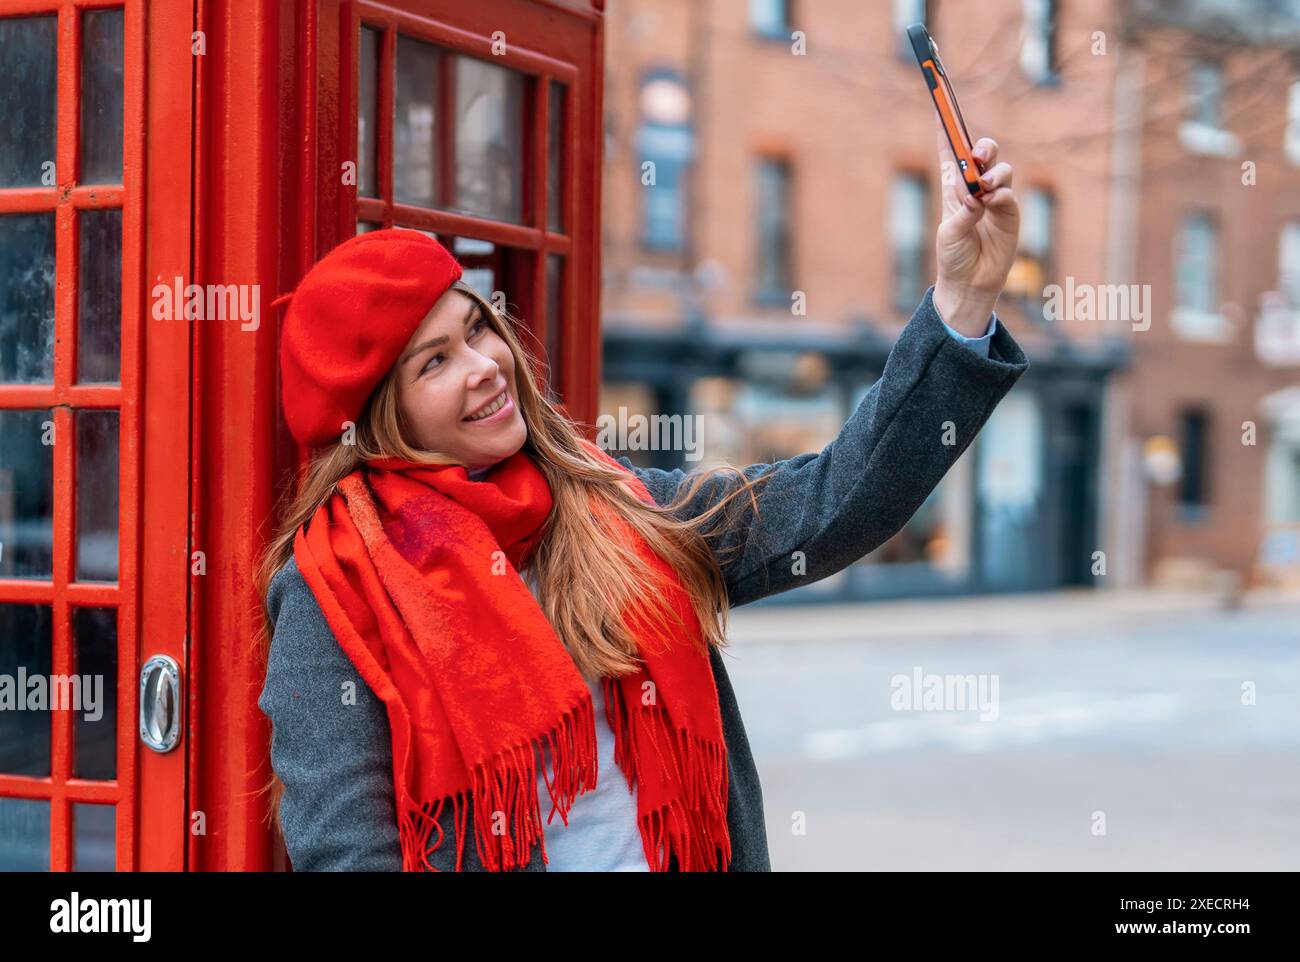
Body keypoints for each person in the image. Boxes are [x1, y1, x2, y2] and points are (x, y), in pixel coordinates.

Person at [254, 130, 1029, 872]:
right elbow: (347, 850)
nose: (485, 365)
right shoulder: (336, 592)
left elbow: (834, 502)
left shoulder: (614, 505)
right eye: (434, 363)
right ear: (385, 418)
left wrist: (963, 297)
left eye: (476, 330)